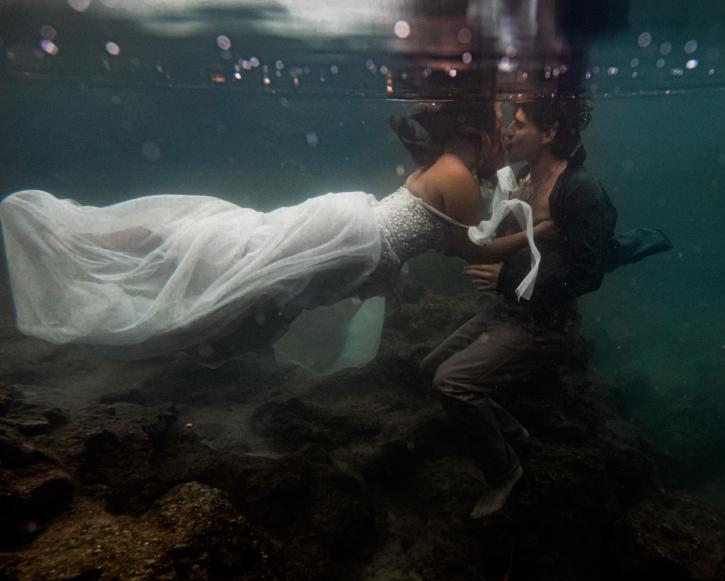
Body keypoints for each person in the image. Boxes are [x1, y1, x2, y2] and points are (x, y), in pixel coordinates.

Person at [0, 101, 552, 365]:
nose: (506, 142)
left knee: (241, 255)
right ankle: (89, 240)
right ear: (480, 134)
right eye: (503, 132)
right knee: (233, 258)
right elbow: (467, 250)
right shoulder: (458, 175)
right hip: (352, 242)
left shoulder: (450, 164)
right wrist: (542, 233)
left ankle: (108, 245)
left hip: (350, 237)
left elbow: (467, 232)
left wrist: (524, 220)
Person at [419, 97, 618, 519]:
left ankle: (504, 470)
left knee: (451, 383)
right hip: (509, 312)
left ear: (550, 135)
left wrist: (507, 280)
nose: (508, 130)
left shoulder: (580, 190)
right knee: (429, 369)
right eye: (511, 121)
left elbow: (588, 274)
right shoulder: (524, 179)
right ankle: (513, 432)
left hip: (547, 325)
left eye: (520, 124)